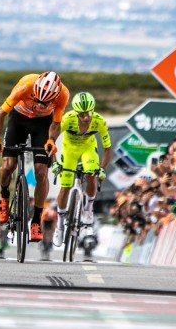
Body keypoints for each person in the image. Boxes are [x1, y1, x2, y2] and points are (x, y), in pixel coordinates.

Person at [0, 71, 69, 242]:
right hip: (18, 119)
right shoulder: (25, 85)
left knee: (41, 172)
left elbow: (56, 123)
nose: (40, 105)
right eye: (38, 100)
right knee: (8, 165)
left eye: (45, 102)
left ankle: (36, 221)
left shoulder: (63, 94)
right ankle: (4, 196)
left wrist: (51, 140)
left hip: (42, 124)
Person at [51, 92, 112, 247]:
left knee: (92, 174)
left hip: (87, 148)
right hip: (69, 149)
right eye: (82, 114)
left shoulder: (99, 122)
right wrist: (54, 162)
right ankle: (59, 226)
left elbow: (107, 148)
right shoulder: (67, 119)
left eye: (89, 113)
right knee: (65, 187)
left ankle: (88, 209)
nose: (86, 117)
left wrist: (103, 169)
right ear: (76, 112)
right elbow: (51, 139)